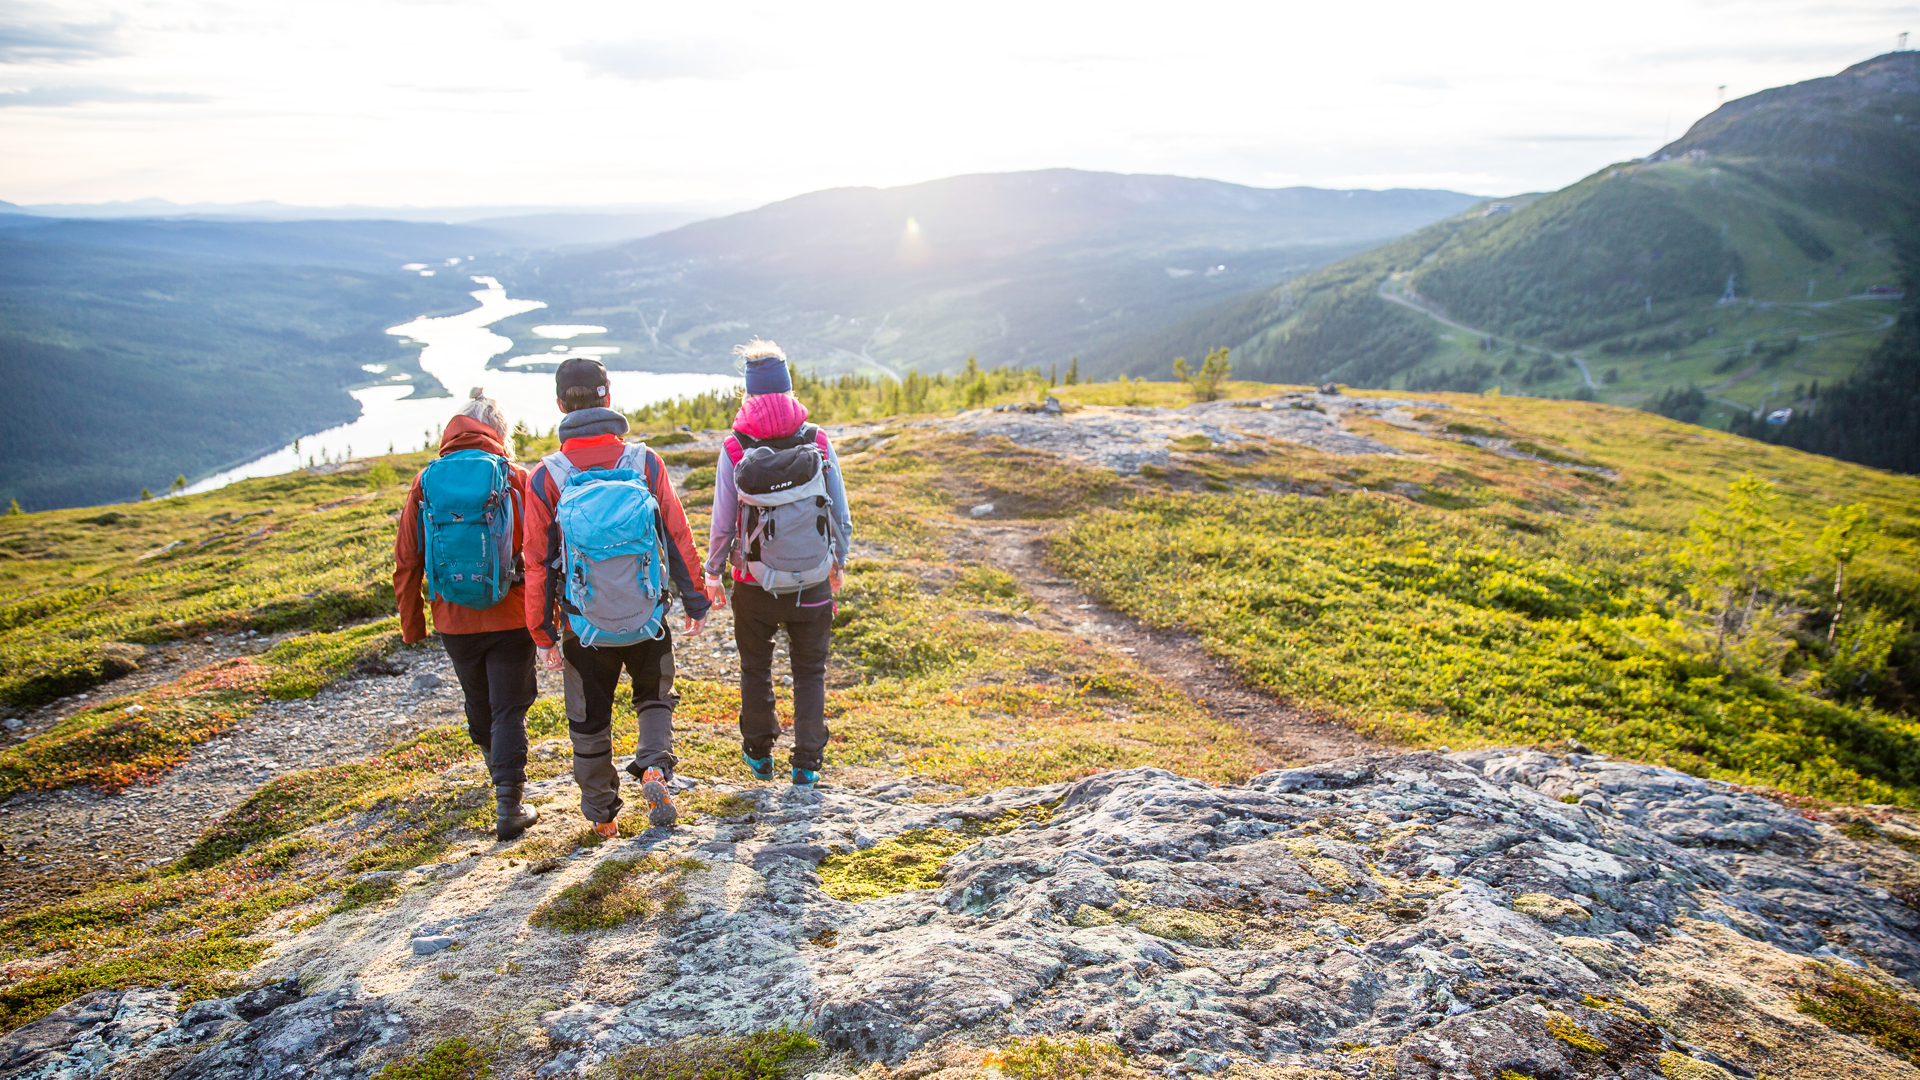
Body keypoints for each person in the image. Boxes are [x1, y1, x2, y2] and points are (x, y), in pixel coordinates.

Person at [524, 357, 712, 834]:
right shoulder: (644, 462)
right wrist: (695, 600)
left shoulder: (547, 477)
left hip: (582, 625)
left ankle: (603, 817)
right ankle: (653, 767)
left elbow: (537, 563)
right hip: (647, 613)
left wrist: (542, 633)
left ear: (561, 404)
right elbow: (676, 533)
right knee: (654, 695)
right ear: (609, 398)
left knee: (588, 718)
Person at [393, 388, 540, 841]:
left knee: (480, 703)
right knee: (509, 707)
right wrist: (549, 613)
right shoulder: (516, 476)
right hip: (512, 614)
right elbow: (540, 552)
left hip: (453, 618)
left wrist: (413, 625)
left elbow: (407, 558)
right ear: (499, 431)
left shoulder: (427, 480)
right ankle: (509, 804)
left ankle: (498, 778)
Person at [704, 340, 852, 788]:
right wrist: (838, 562)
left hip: (754, 584)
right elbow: (840, 513)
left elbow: (723, 521)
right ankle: (806, 762)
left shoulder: (734, 448)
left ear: (747, 394)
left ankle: (759, 753)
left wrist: (713, 573)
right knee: (810, 671)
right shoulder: (818, 440)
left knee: (755, 666)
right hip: (812, 579)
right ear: (789, 389)